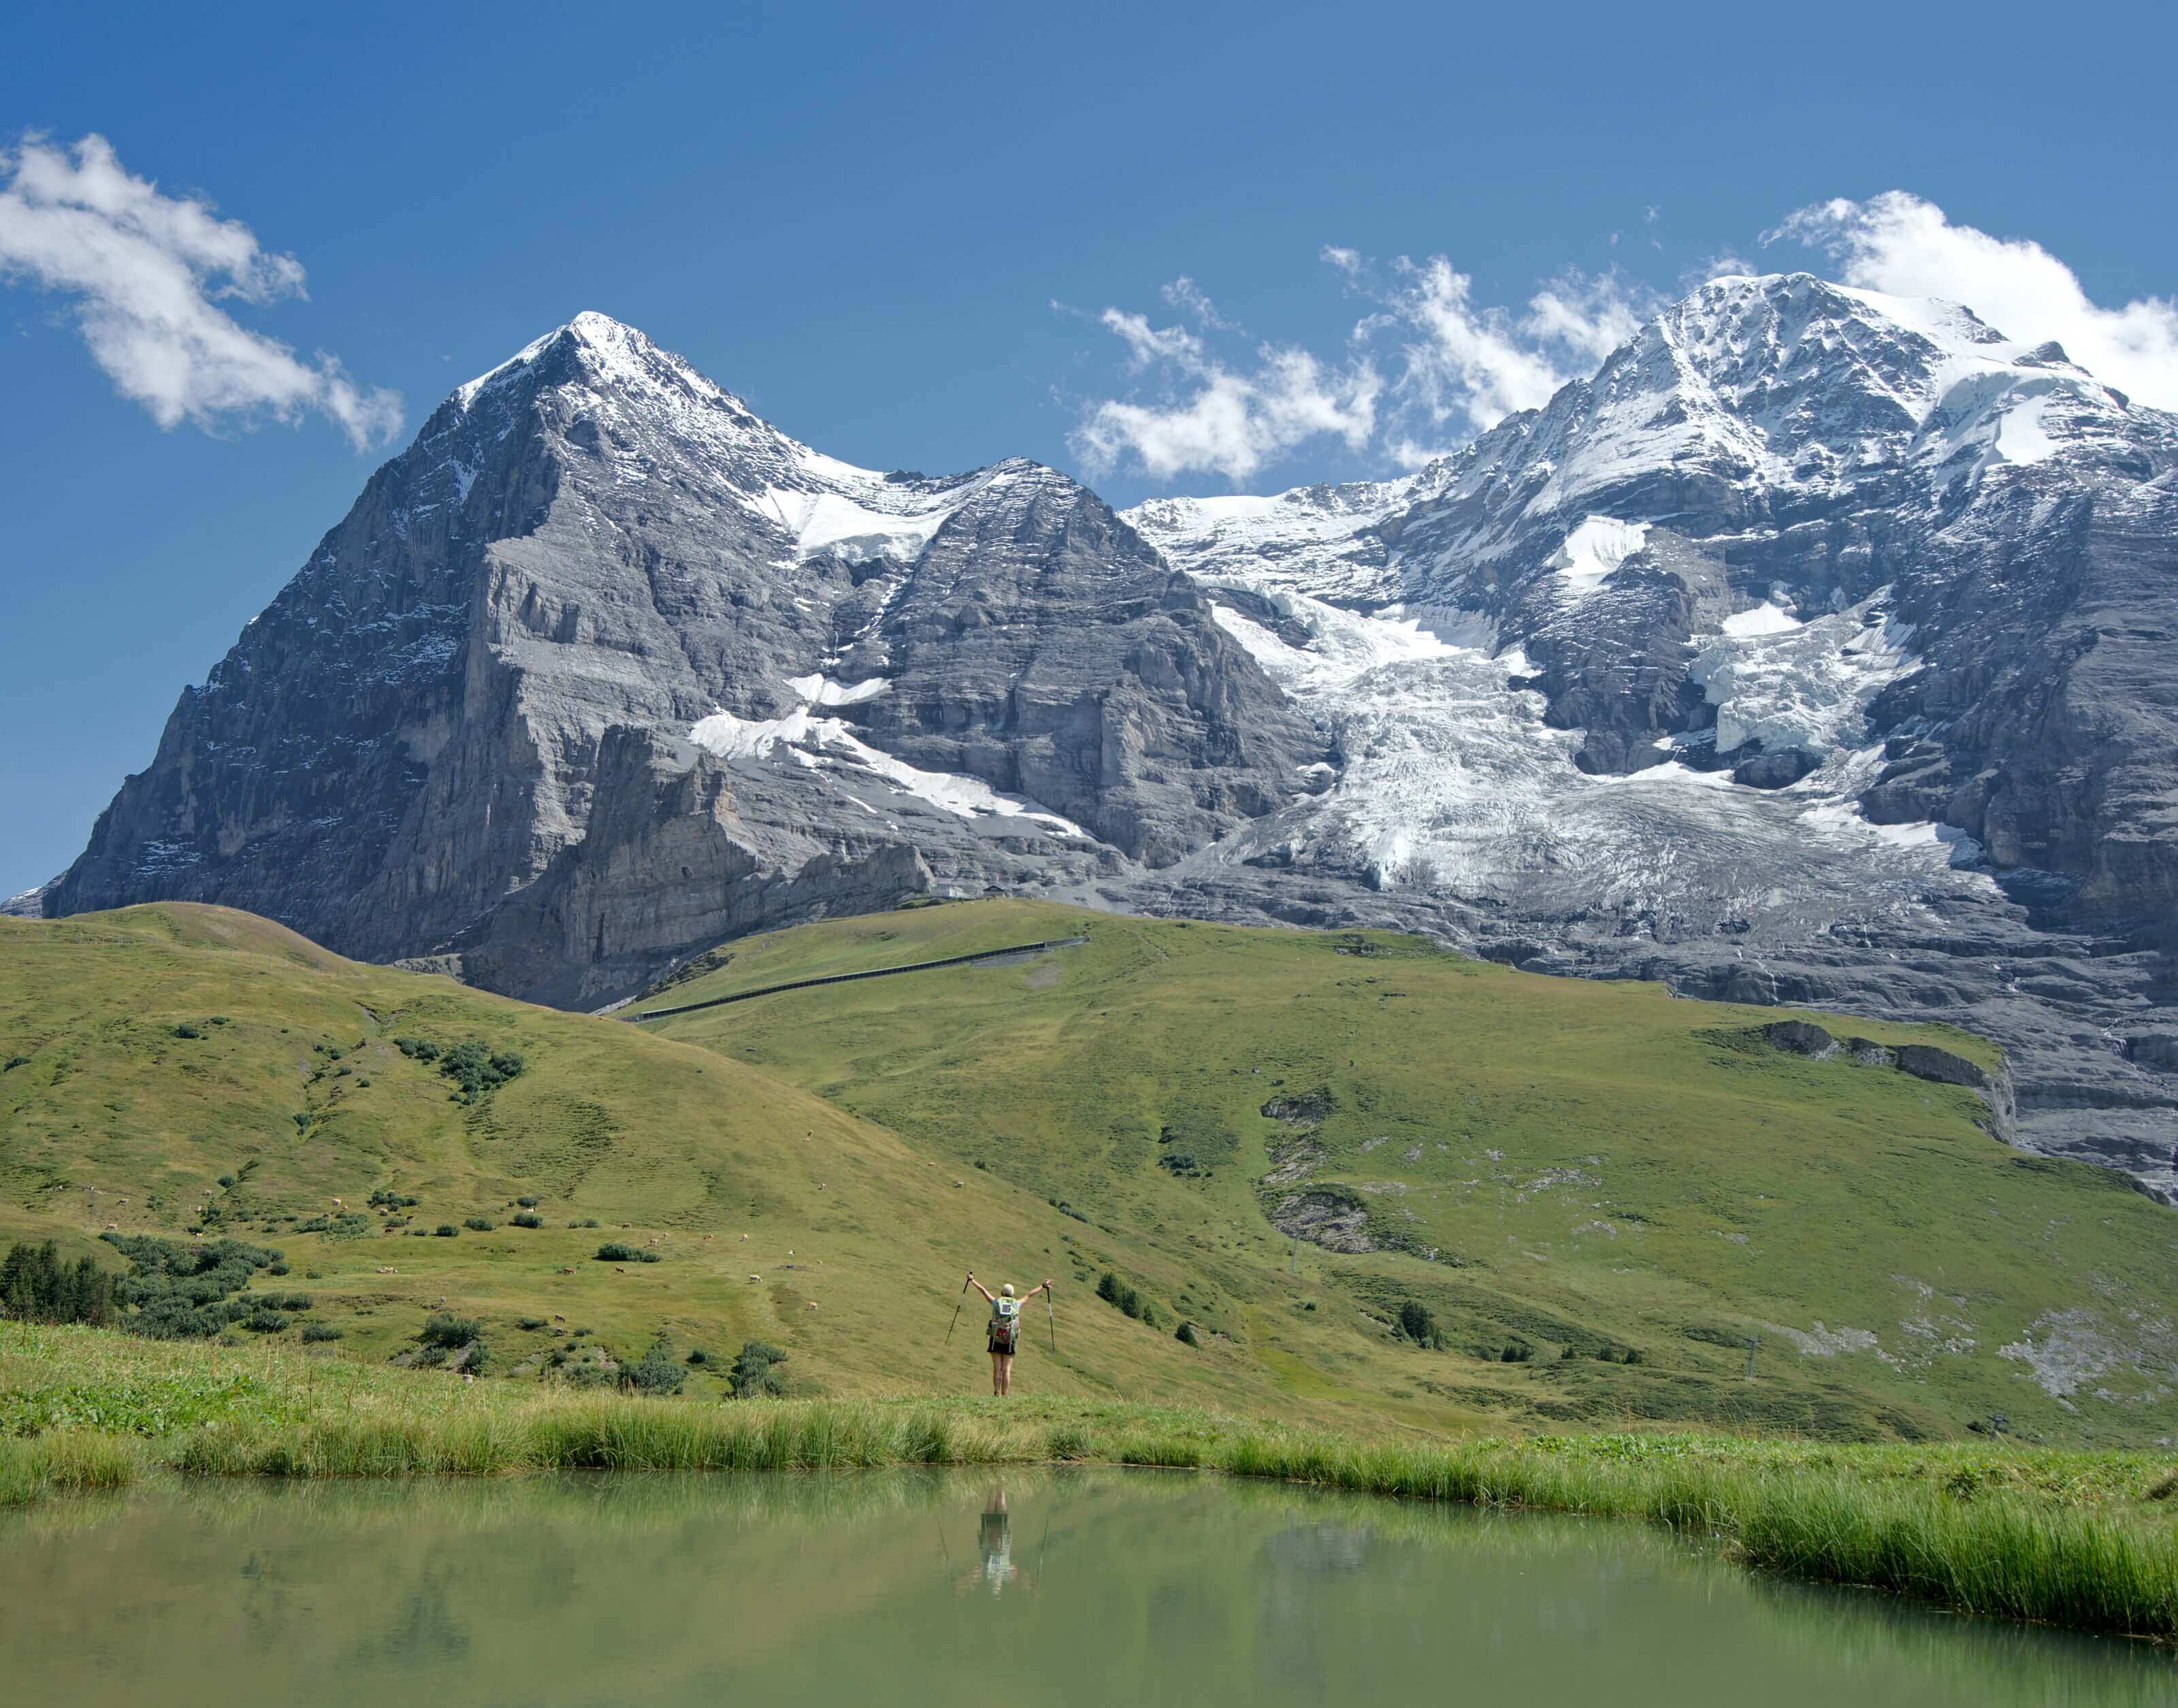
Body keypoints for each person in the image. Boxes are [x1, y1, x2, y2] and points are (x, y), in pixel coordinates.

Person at [966, 1272, 1052, 1395]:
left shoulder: (996, 1303)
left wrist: (972, 1280)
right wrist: (1042, 1286)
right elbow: (1029, 1295)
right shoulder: (1016, 1304)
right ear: (1012, 1294)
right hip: (1010, 1340)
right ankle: (1005, 1394)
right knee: (1006, 1370)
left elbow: (984, 1291)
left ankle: (996, 1392)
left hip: (996, 1338)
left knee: (997, 1368)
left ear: (1002, 1293)